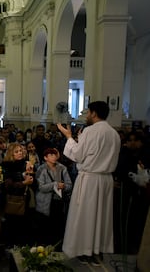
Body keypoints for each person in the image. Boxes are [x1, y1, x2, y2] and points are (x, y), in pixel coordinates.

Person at [57, 101, 121, 266]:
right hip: (106, 179)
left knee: (85, 215)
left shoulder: (90, 131)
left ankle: (84, 251)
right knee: (101, 216)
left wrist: (69, 138)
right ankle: (96, 251)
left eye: (87, 113)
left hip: (90, 179)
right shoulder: (114, 133)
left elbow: (78, 155)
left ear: (93, 113)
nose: (86, 116)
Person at [35, 148, 72, 247]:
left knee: (57, 226)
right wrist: (54, 185)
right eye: (51, 155)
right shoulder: (41, 169)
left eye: (55, 154)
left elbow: (69, 185)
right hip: (44, 202)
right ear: (45, 158)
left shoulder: (62, 168)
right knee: (45, 227)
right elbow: (41, 187)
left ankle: (56, 247)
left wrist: (63, 186)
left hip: (58, 201)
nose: (54, 157)